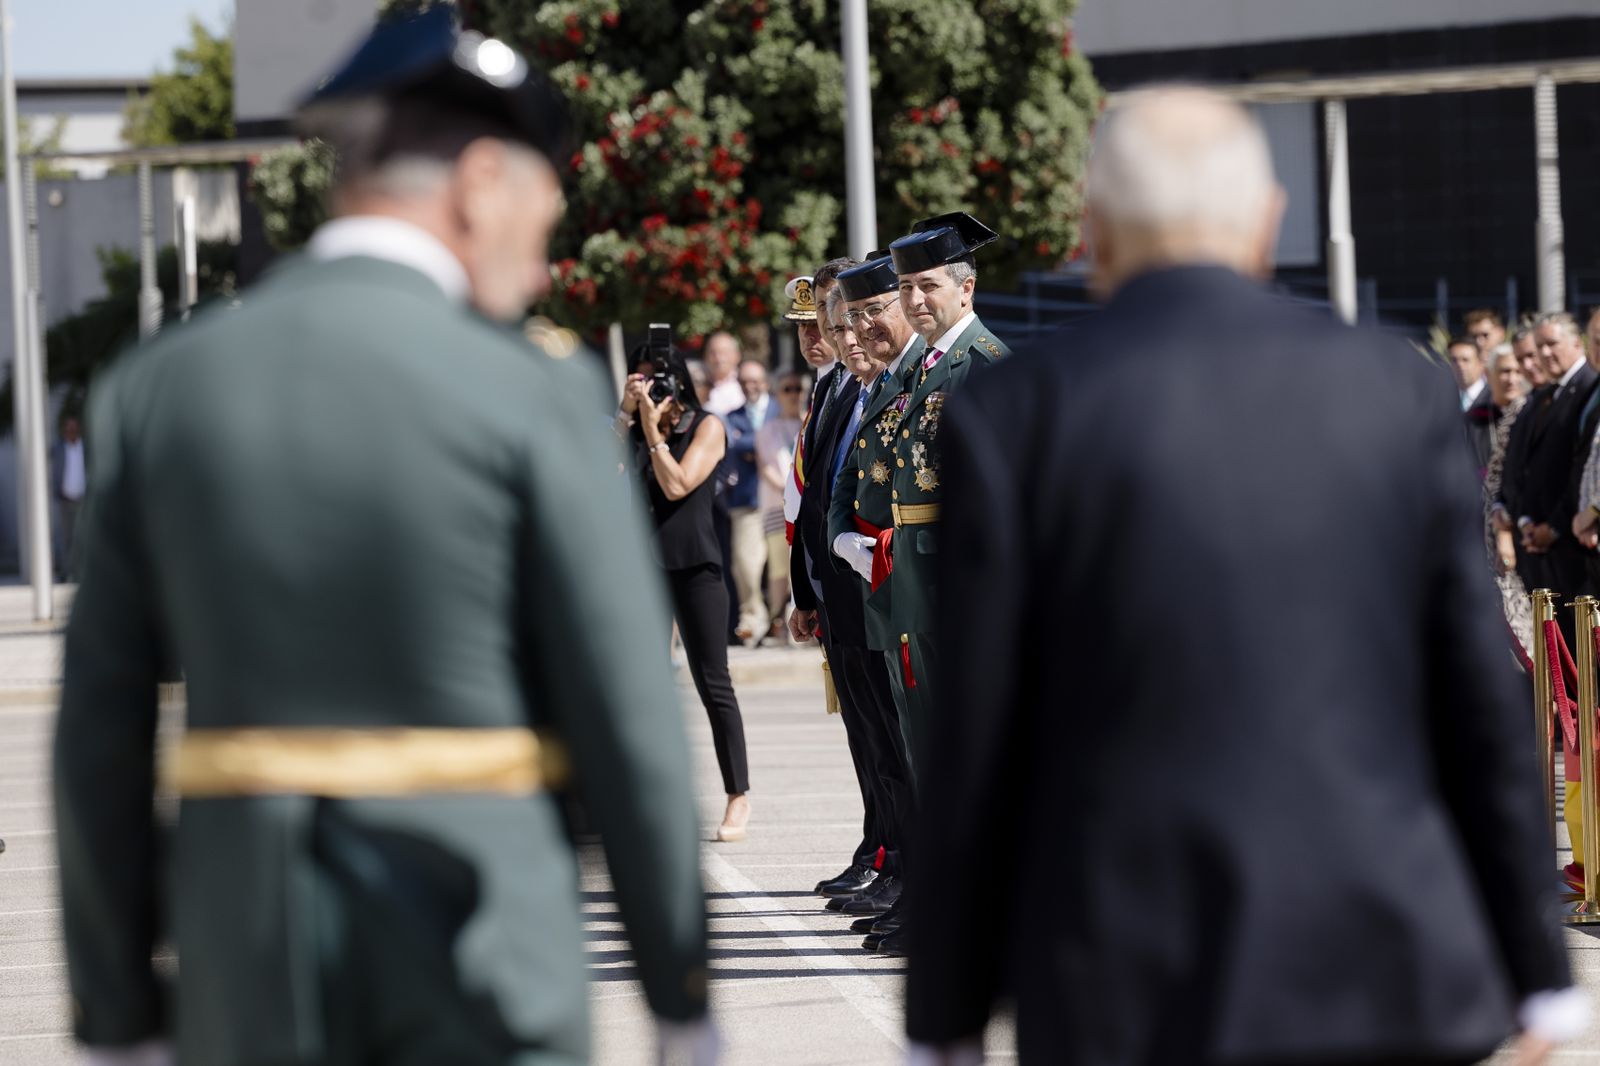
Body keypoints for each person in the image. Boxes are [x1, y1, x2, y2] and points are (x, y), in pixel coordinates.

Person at [54, 11, 715, 1066]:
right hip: (486, 943)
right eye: (541, 219)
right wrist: (680, 988)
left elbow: (98, 730)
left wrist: (116, 1010)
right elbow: (626, 717)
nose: (540, 269)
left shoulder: (161, 389)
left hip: (250, 955)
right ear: (479, 182)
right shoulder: (531, 392)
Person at [907, 85, 1580, 1066]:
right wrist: (1540, 976)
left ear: (1091, 233)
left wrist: (945, 1017)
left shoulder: (1014, 415)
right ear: (1266, 223)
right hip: (1379, 959)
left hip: (1119, 974)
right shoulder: (1393, 391)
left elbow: (977, 732)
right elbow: (1473, 695)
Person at [786, 260, 905, 906]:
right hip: (839, 586)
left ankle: (898, 860)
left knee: (891, 733)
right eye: (820, 324)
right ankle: (883, 851)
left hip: (877, 587)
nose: (827, 336)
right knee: (868, 733)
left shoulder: (882, 385)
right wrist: (806, 590)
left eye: (834, 320)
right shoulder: (832, 389)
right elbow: (812, 498)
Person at [826, 254, 927, 947]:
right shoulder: (889, 382)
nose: (855, 333)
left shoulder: (954, 368)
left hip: (922, 589)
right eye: (847, 322)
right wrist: (844, 546)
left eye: (868, 315)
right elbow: (846, 487)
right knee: (898, 747)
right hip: (884, 585)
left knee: (921, 751)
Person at [620, 345, 753, 844]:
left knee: (712, 682)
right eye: (642, 383)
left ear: (678, 382)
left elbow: (677, 485)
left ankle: (738, 795)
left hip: (696, 567)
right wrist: (625, 415)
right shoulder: (634, 428)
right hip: (643, 568)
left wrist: (652, 431)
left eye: (658, 382)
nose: (652, 392)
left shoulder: (708, 426)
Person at [1498, 311, 1598, 616]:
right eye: (1538, 346)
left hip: (1573, 542)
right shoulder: (1547, 395)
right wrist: (1525, 520)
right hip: (1549, 544)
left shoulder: (1586, 385)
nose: (1543, 354)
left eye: (1551, 344)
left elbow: (1574, 468)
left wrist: (1556, 526)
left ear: (1575, 343)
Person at [755, 371, 803, 641]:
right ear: (777, 394)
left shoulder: (808, 421)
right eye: (787, 389)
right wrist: (790, 489)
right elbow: (766, 467)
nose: (793, 394)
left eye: (797, 388)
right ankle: (777, 620)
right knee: (778, 567)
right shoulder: (768, 429)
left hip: (802, 507)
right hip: (777, 506)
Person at [719, 367, 765, 646]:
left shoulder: (779, 406)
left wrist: (750, 446)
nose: (750, 386)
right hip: (746, 500)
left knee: (781, 567)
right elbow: (733, 448)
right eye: (744, 381)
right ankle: (752, 618)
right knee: (745, 564)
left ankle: (777, 619)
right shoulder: (731, 417)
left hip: (781, 497)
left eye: (755, 381)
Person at [1448, 334, 1495, 476]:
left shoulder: (1494, 401)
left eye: (1465, 360)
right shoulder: (1443, 401)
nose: (1460, 365)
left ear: (1481, 362)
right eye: (1454, 360)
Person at [51, 414, 88, 580]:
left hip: (83, 501)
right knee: (66, 538)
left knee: (83, 537)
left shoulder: (85, 448)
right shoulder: (59, 448)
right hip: (65, 500)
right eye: (68, 429)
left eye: (74, 428)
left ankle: (82, 574)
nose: (71, 431)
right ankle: (67, 573)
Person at [701, 331, 745, 416]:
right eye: (713, 353)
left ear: (737, 355)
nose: (718, 358)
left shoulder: (744, 384)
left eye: (724, 353)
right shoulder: (699, 385)